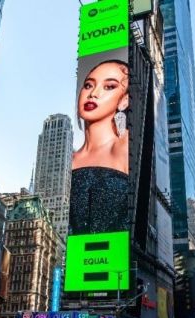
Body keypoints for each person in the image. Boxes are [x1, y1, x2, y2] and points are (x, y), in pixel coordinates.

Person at [69, 59, 129, 235]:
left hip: (118, 258)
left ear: (124, 100)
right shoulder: (68, 159)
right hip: (76, 259)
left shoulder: (124, 146)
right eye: (88, 85)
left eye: (109, 86)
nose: (93, 93)